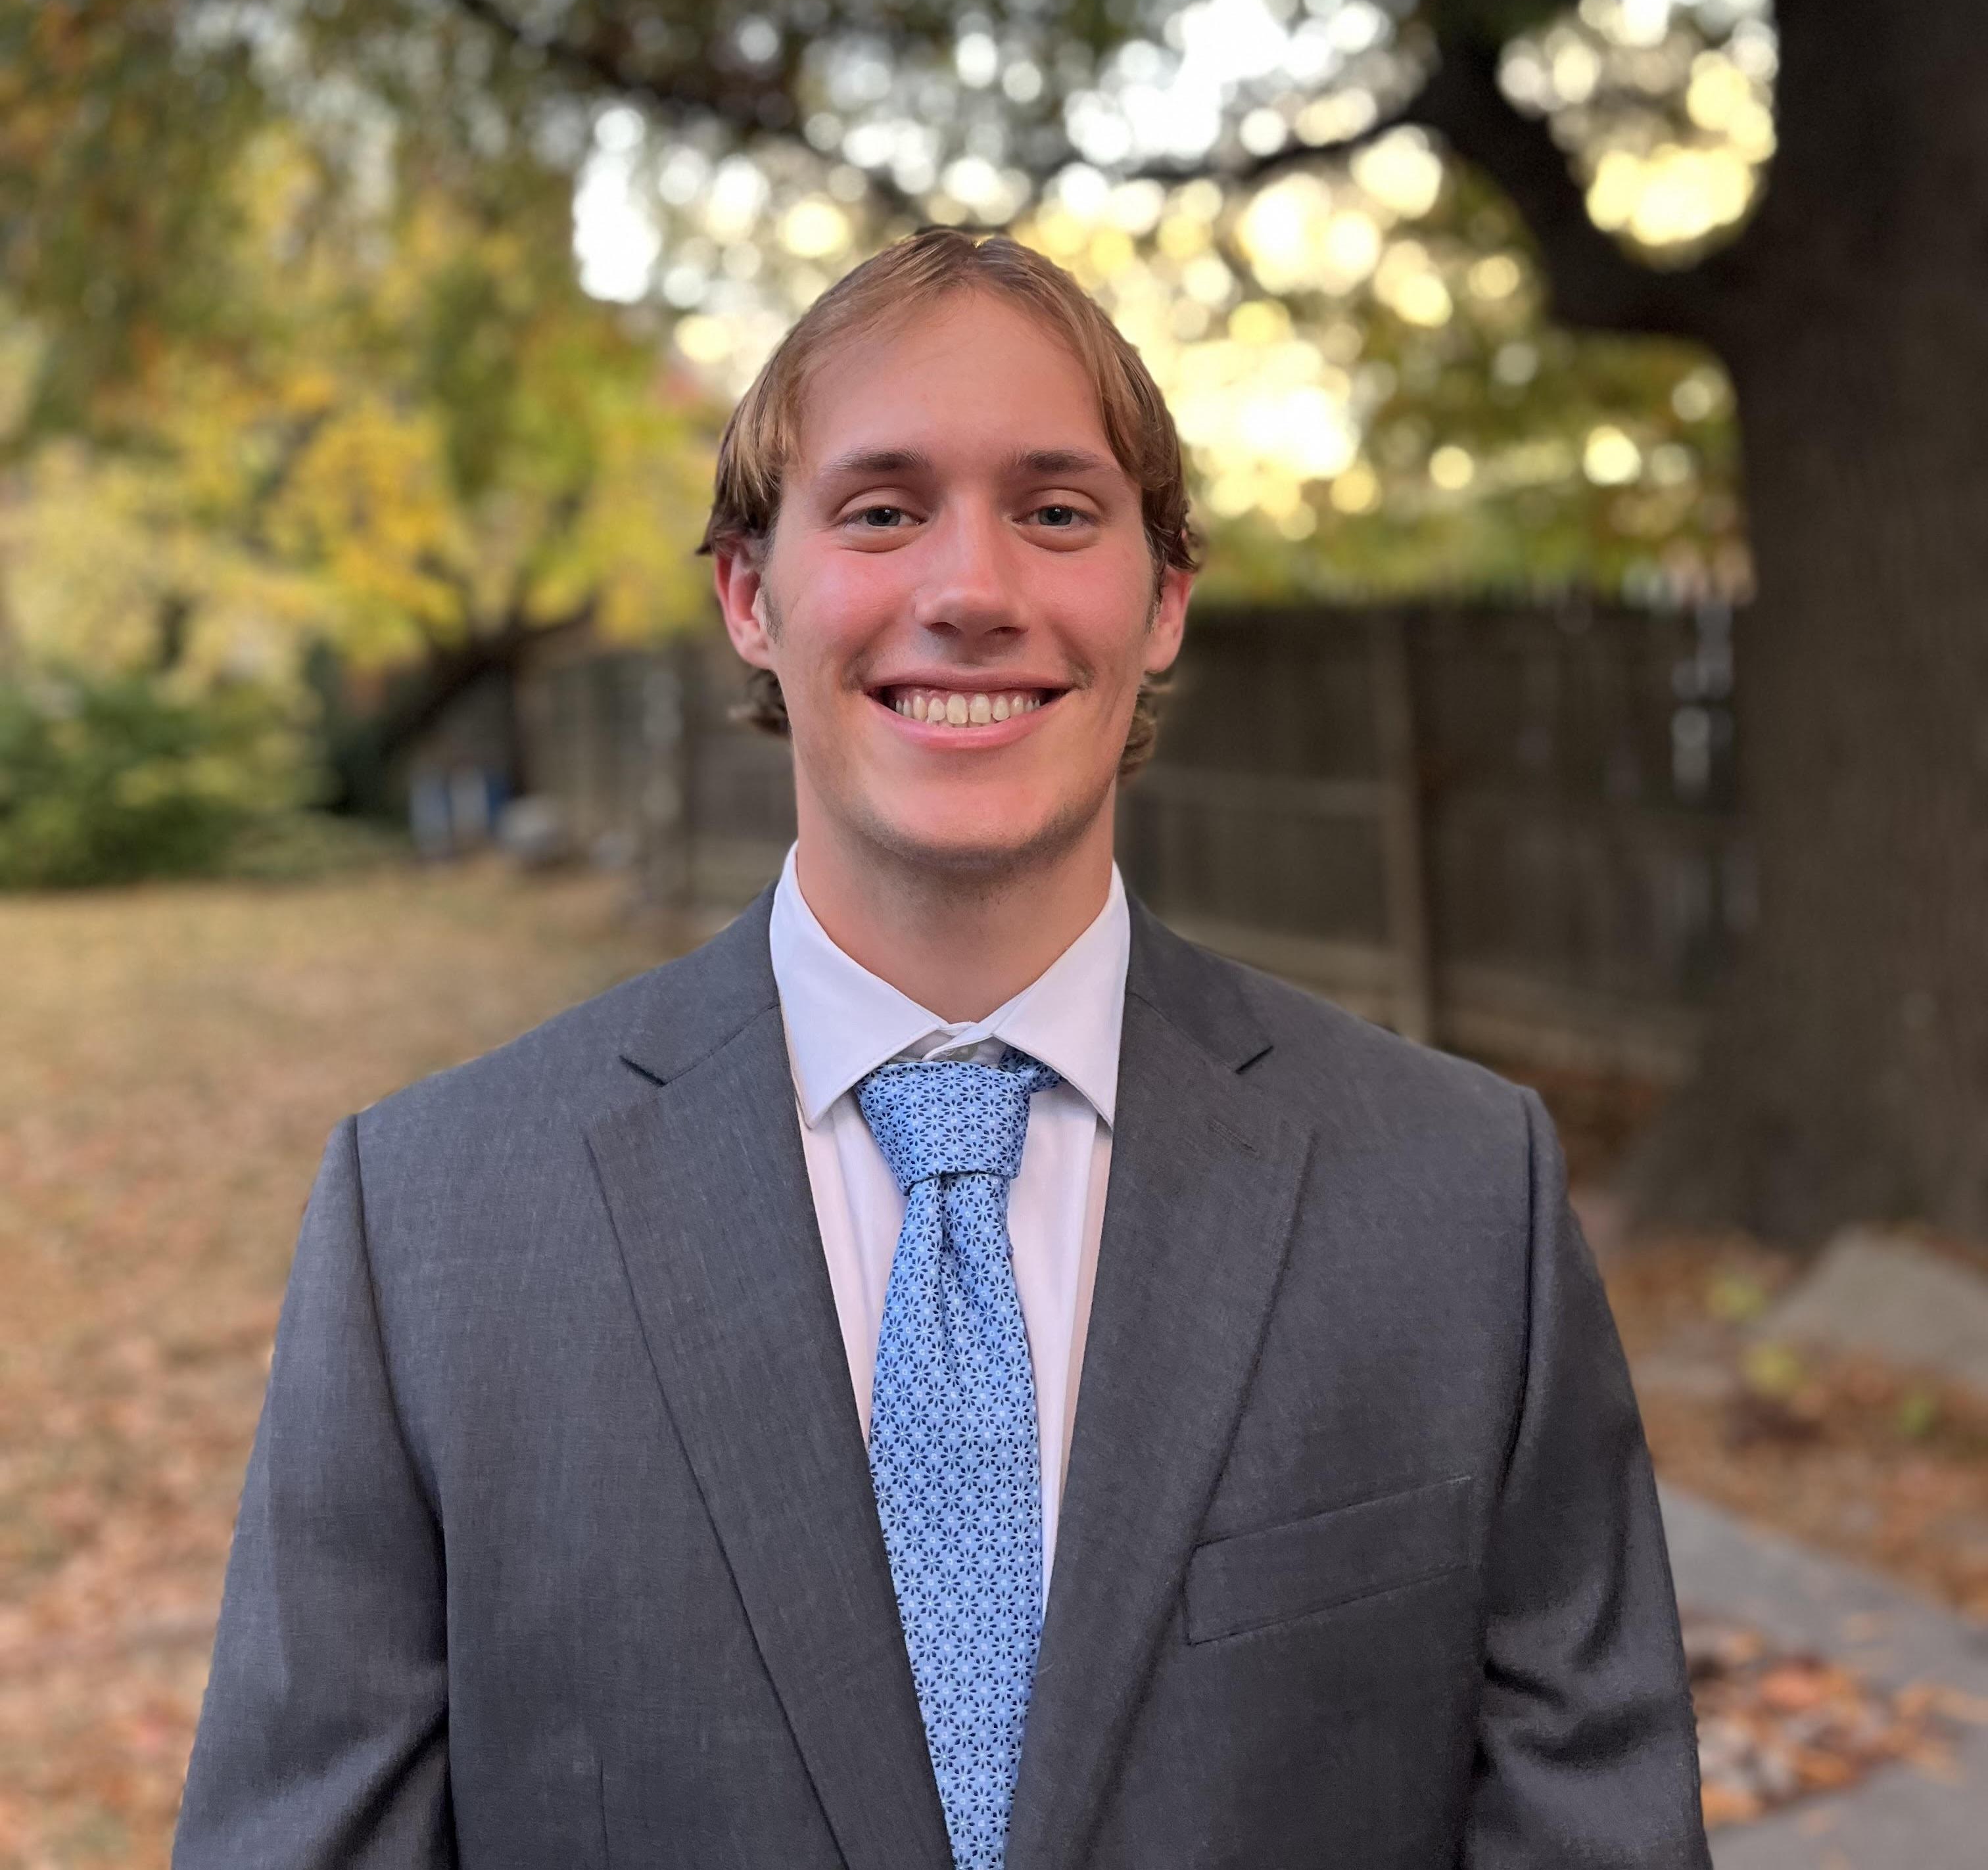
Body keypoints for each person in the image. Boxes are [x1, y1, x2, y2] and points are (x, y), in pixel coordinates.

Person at [175, 229, 1710, 1870]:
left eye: (1056, 511)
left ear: (1163, 594)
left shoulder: (1457, 1199)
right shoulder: (429, 1227)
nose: (971, 592)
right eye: (884, 509)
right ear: (751, 594)